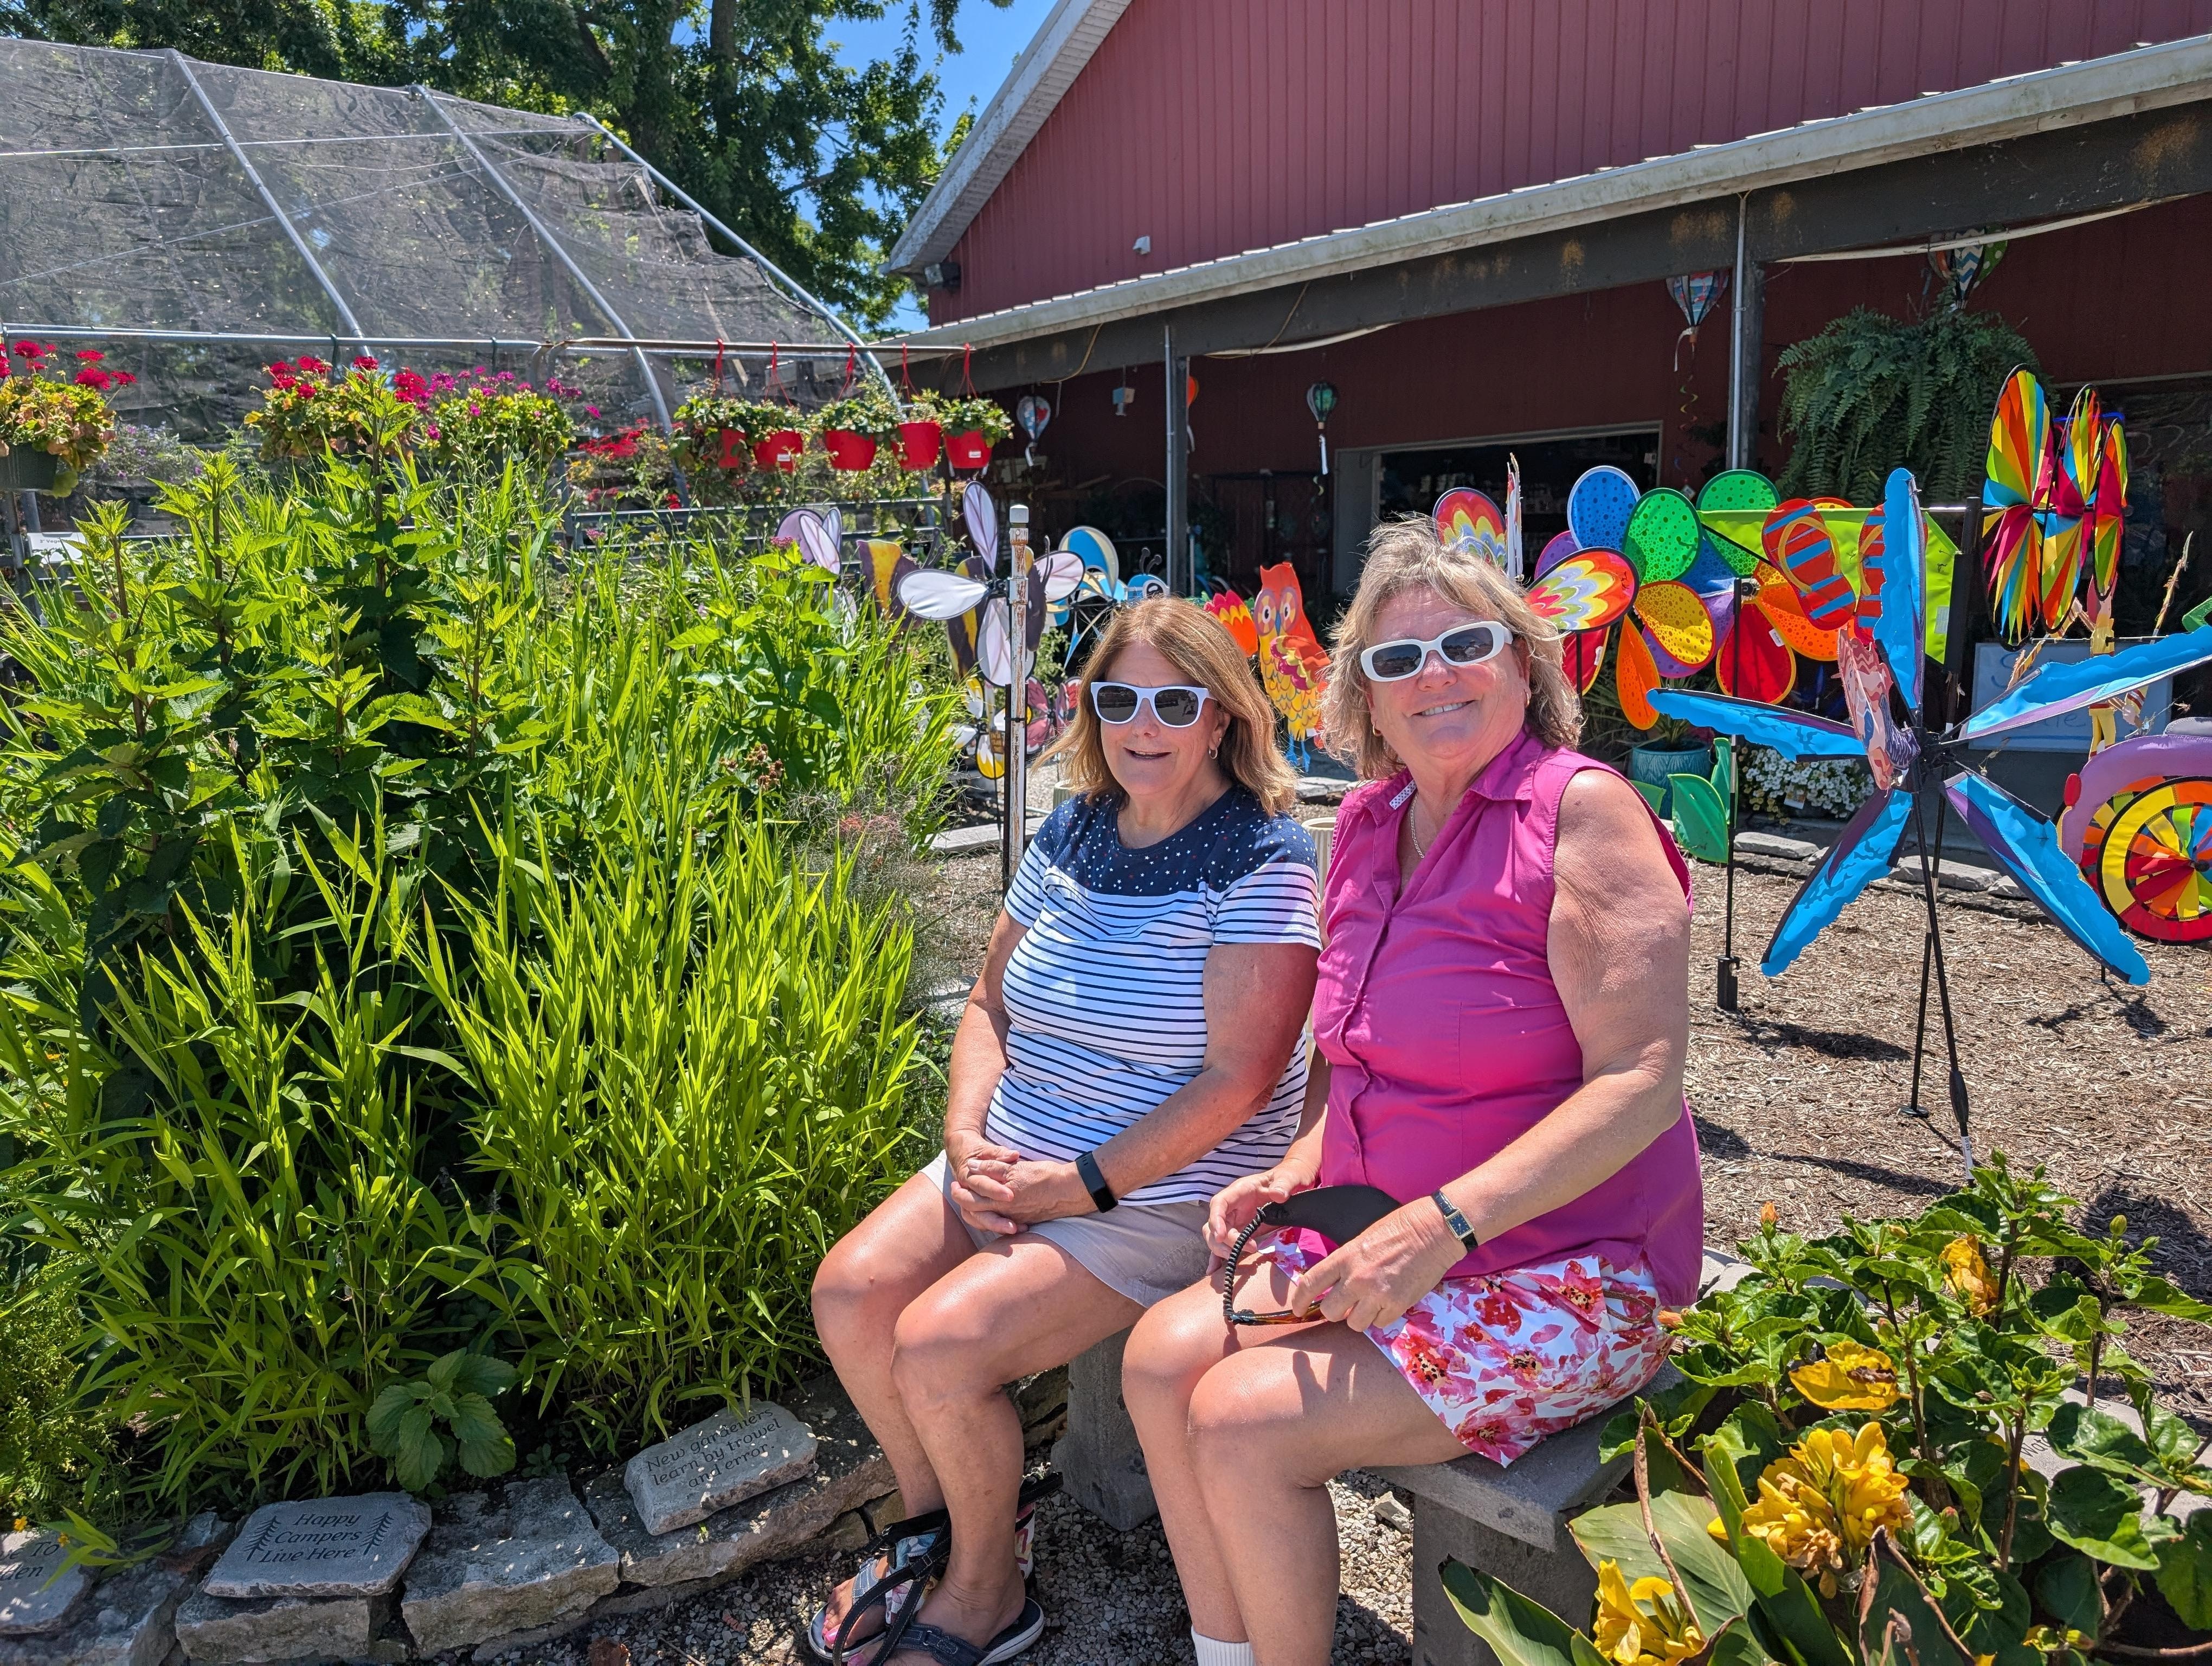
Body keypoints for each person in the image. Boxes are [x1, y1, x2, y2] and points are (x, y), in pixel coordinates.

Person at [1122, 518, 1702, 1666]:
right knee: (1157, 1360)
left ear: (1523, 665)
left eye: (1465, 645)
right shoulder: (1366, 823)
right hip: (1375, 1232)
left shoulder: (1581, 813)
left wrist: (1442, 1227)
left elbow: (1641, 1081)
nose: (1434, 676)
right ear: (1366, 702)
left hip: (1568, 1270)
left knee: (1239, 1423)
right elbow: (1349, 1051)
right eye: (1398, 660)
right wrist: (1297, 1164)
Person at [808, 597, 1322, 1666]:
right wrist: (964, 1136)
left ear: (1223, 716)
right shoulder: (1075, 827)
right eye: (1119, 699)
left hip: (1157, 1192)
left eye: (1174, 702)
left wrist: (1076, 1187)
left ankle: (987, 1593)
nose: (1144, 725)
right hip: (1014, 1153)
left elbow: (1240, 1081)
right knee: (851, 1295)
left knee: (939, 1348)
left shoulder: (1262, 856)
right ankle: (944, 1533)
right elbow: (989, 1004)